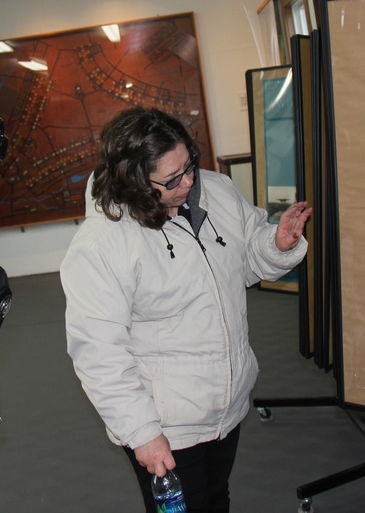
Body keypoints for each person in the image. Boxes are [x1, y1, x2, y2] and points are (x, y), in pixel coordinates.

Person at [60, 107, 312, 513]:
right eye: (173, 178)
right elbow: (98, 351)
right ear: (136, 179)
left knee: (216, 497)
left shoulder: (218, 191)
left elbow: (246, 261)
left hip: (226, 402)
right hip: (167, 423)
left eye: (190, 165)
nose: (190, 181)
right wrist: (142, 433)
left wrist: (276, 245)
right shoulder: (103, 242)